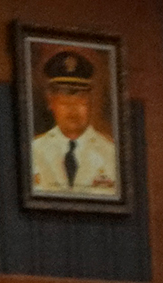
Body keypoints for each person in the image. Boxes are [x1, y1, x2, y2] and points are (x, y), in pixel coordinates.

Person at [30, 51, 119, 197]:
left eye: (80, 100)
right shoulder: (34, 151)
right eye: (64, 101)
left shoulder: (111, 152)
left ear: (91, 102)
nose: (73, 109)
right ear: (51, 102)